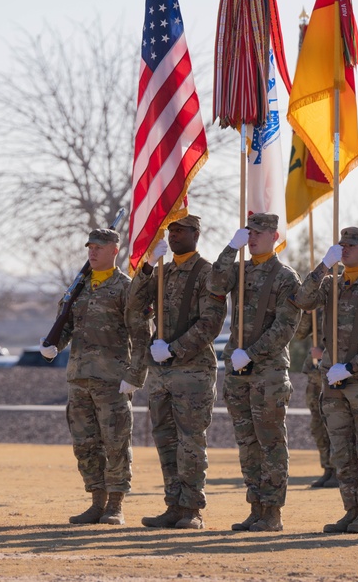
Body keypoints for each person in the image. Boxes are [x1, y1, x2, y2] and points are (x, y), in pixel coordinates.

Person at [292, 226, 358, 535]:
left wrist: (351, 367)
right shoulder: (330, 286)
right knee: (341, 451)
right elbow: (301, 300)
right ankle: (350, 510)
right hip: (333, 380)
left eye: (352, 245)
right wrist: (323, 266)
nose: (346, 249)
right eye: (342, 244)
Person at [40, 228, 148, 525]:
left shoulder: (126, 288)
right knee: (85, 443)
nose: (93, 251)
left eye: (99, 247)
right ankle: (96, 501)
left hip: (113, 379)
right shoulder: (79, 286)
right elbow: (66, 326)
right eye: (90, 247)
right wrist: (52, 345)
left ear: (115, 250)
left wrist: (135, 375)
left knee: (115, 441)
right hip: (79, 377)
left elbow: (141, 335)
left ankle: (115, 505)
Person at [127, 215, 226, 529]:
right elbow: (133, 303)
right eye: (171, 230)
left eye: (181, 230)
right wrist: (147, 267)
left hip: (192, 371)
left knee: (190, 442)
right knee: (165, 440)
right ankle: (173, 505)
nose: (174, 236)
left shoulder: (207, 273)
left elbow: (210, 323)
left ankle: (191, 510)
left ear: (196, 234)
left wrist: (174, 348)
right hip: (161, 374)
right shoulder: (163, 272)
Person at [209, 213, 301, 532]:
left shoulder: (285, 277)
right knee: (247, 442)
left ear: (275, 236)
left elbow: (285, 327)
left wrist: (251, 352)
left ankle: (272, 512)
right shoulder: (239, 270)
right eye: (249, 233)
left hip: (268, 372)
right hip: (238, 371)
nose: (253, 238)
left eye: (259, 233)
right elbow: (214, 283)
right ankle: (256, 507)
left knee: (270, 442)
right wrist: (229, 249)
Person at [295, 308, 339, 488]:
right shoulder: (318, 309)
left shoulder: (342, 303)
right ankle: (327, 468)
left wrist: (326, 354)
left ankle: (339, 469)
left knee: (336, 424)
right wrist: (306, 313)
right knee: (318, 425)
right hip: (315, 375)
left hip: (336, 372)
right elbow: (299, 334)